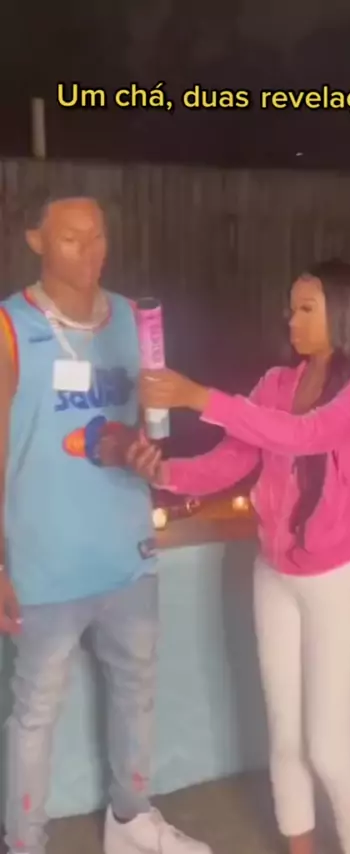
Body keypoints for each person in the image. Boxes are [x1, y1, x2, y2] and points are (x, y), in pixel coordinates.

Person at [126, 260, 350, 854]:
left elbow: (306, 435)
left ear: (346, 312)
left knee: (330, 750)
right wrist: (163, 474)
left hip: (338, 581)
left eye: (306, 308)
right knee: (285, 739)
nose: (291, 319)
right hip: (275, 575)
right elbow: (231, 461)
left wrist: (198, 396)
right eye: (291, 307)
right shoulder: (277, 383)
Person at [0, 193, 212, 854]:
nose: (90, 251)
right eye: (71, 238)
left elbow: (146, 425)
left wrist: (146, 451)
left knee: (136, 693)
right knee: (35, 713)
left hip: (126, 551)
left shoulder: (133, 320)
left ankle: (131, 820)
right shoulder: (9, 328)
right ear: (36, 240)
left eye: (98, 236)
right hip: (44, 562)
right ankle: (23, 842)